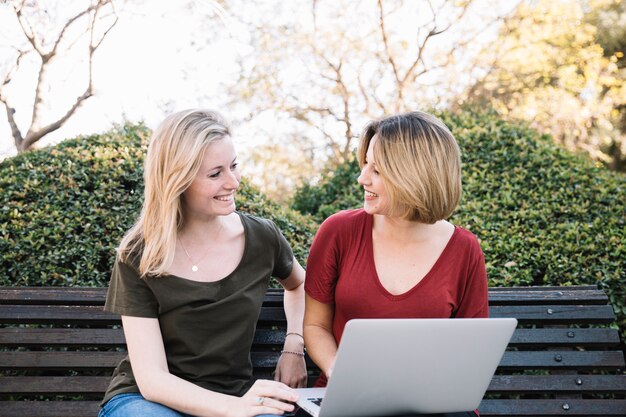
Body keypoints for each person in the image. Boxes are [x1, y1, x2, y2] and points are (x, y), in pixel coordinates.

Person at [99, 109, 307, 417]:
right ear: (177, 180)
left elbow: (302, 285)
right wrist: (235, 409)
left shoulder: (262, 237)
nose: (233, 182)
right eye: (215, 174)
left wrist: (294, 345)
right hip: (147, 403)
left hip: (234, 398)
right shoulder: (139, 254)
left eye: (234, 166)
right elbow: (152, 380)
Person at [302, 111, 489, 417]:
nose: (362, 178)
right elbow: (315, 325)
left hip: (430, 407)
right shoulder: (338, 232)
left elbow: (469, 353)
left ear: (413, 177)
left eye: (377, 170)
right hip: (346, 402)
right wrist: (341, 372)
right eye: (365, 164)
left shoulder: (465, 249)